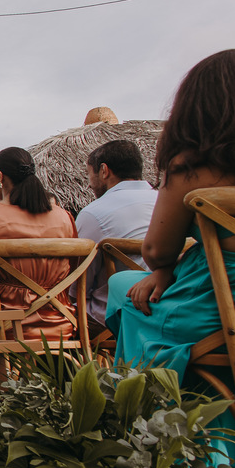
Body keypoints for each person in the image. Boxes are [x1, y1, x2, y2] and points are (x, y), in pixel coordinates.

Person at [106, 50, 235, 468]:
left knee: (127, 294)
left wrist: (166, 270)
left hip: (232, 317)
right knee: (193, 320)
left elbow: (155, 252)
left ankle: (163, 443)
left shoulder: (192, 167)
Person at [0, 146, 78, 341]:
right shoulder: (64, 217)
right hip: (60, 320)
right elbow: (73, 271)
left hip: (6, 324)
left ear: (0, 177)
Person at [72, 140, 157, 328]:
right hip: (172, 304)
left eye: (89, 174)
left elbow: (78, 287)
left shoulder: (93, 213)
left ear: (104, 171)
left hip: (118, 316)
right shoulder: (164, 201)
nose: (89, 185)